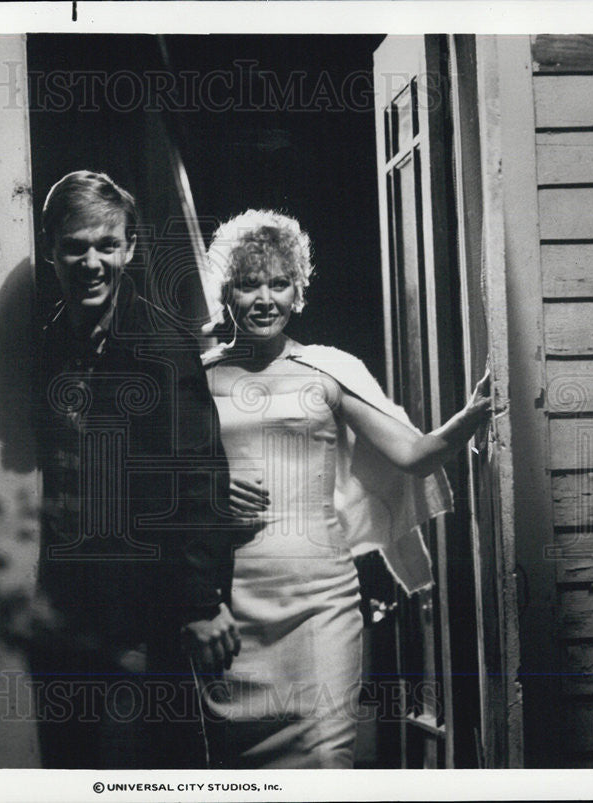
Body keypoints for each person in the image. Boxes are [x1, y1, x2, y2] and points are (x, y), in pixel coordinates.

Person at [199, 209, 491, 768]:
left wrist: (473, 414)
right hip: (230, 607)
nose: (265, 298)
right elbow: (160, 489)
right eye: (249, 283)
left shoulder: (327, 370)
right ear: (226, 291)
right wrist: (209, 494)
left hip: (321, 603)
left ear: (298, 291)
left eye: (279, 283)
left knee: (328, 762)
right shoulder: (197, 377)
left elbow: (413, 454)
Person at [28, 171, 240, 769]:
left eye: (106, 245)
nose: (90, 262)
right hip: (67, 608)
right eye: (75, 246)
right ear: (50, 249)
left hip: (146, 609)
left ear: (128, 248)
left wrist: (200, 603)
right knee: (72, 766)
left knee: (154, 768)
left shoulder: (160, 348)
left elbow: (196, 476)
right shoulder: (47, 346)